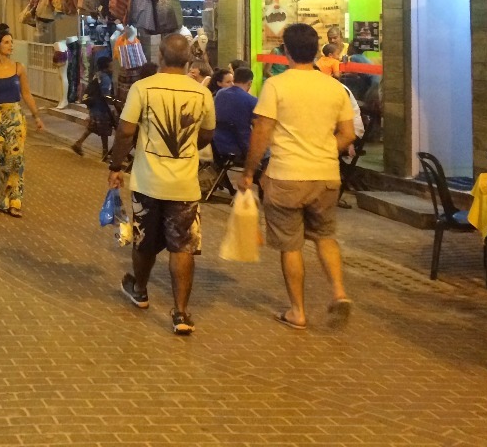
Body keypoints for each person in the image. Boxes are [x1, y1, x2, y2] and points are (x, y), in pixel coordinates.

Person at [239, 23, 356, 331]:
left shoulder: (276, 86)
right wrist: (323, 150)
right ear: (317, 50)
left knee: (291, 245)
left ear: (285, 51)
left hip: (287, 176)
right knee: (325, 236)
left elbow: (261, 132)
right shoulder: (334, 87)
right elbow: (348, 134)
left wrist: (249, 172)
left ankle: (297, 312)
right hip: (326, 176)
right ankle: (339, 292)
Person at [106, 33, 215, 335]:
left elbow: (125, 131)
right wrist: (188, 146)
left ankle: (140, 290)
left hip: (148, 182)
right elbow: (207, 134)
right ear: (189, 60)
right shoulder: (201, 93)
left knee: (144, 241)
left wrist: (116, 166)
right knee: (183, 247)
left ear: (161, 57)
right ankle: (181, 313)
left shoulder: (143, 88)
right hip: (185, 185)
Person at [0, 30, 45, 217]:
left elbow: (26, 94)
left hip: (15, 120)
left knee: (15, 160)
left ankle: (15, 200)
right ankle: (0, 198)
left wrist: (36, 116)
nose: (10, 45)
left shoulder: (18, 68)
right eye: (6, 42)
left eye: (11, 42)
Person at [211, 65, 258, 197]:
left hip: (217, 145)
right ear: (250, 83)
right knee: (267, 154)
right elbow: (258, 127)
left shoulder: (220, 94)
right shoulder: (251, 101)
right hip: (239, 148)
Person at [72, 56, 115, 158]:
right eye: (111, 64)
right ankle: (105, 152)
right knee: (104, 129)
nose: (113, 66)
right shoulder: (105, 78)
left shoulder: (98, 75)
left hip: (94, 106)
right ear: (106, 66)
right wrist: (113, 104)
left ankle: (78, 143)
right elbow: (106, 95)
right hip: (101, 108)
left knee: (93, 127)